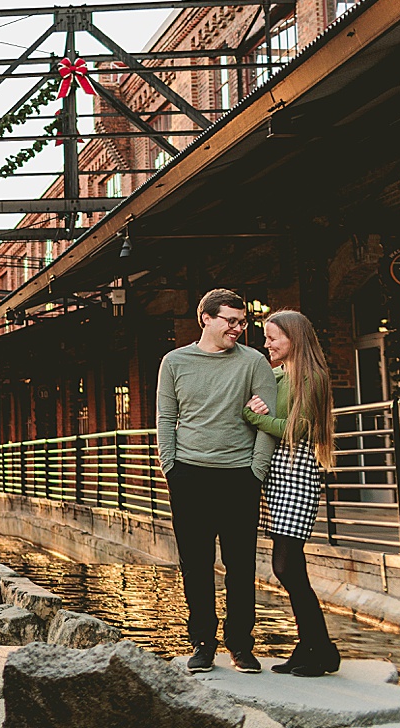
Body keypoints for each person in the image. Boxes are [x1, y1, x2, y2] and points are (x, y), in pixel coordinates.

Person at [158, 288, 278, 675]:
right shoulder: (174, 362)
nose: (239, 328)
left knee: (240, 565)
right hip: (190, 475)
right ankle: (203, 643)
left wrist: (256, 470)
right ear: (205, 318)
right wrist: (170, 467)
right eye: (231, 321)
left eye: (243, 322)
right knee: (195, 564)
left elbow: (269, 419)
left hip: (239, 476)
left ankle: (241, 645)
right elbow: (165, 418)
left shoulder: (254, 362)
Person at [243, 309, 341, 677]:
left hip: (297, 473)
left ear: (293, 338)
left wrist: (251, 415)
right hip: (278, 475)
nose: (266, 343)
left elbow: (296, 429)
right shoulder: (278, 375)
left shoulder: (311, 376)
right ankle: (312, 646)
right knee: (289, 567)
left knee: (286, 566)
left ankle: (321, 648)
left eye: (273, 337)